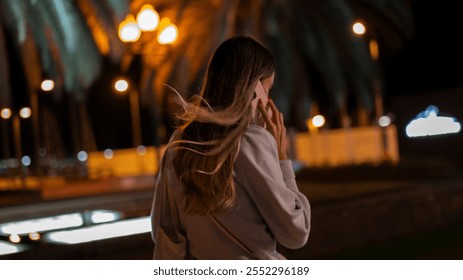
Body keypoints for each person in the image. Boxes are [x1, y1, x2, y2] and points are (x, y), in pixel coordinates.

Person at [150, 35, 310, 260]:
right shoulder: (252, 142)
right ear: (254, 88)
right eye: (268, 89)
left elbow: (163, 230)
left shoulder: (179, 143)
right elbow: (296, 232)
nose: (268, 100)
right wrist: (282, 159)